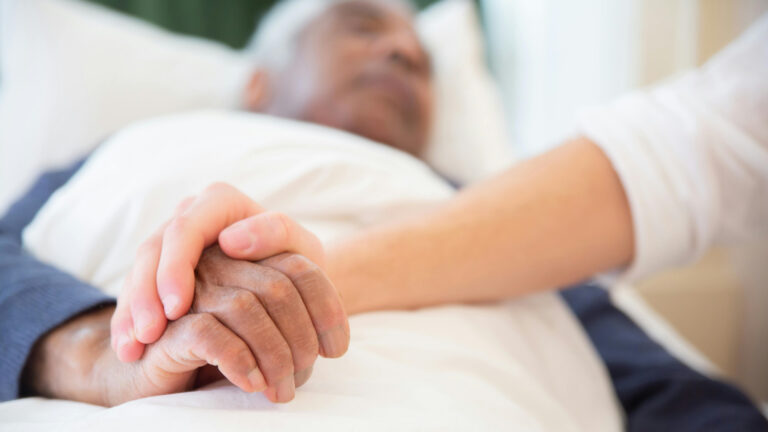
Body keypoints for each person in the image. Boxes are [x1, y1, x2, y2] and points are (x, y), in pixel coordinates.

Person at [0, 0, 765, 428]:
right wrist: (99, 349)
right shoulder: (131, 150)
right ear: (259, 84)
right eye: (363, 27)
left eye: (421, 58)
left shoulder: (499, 219)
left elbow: (661, 389)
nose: (403, 52)